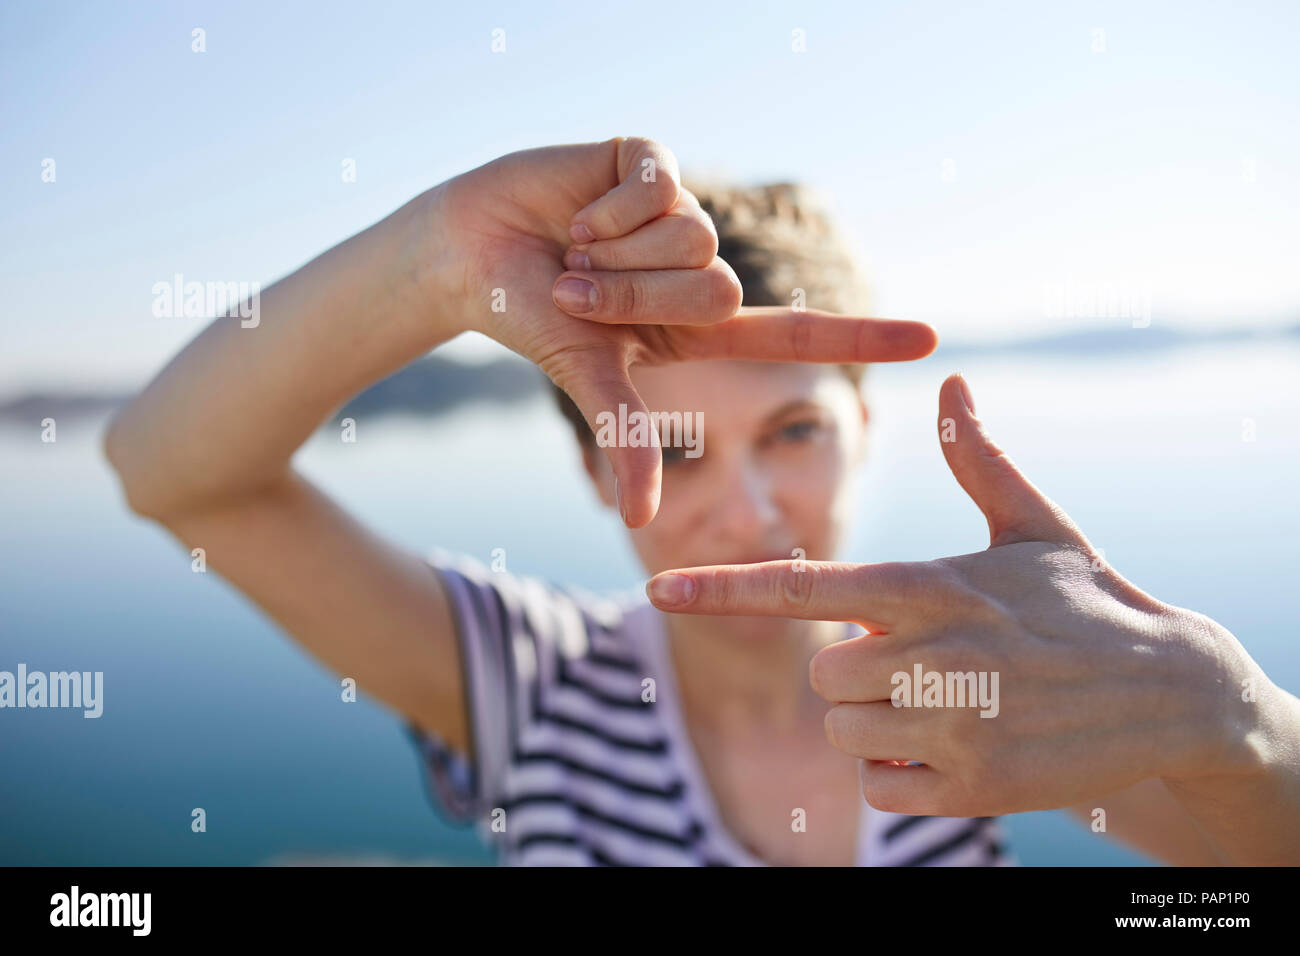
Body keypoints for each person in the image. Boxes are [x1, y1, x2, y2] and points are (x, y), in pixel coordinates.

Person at [103, 136, 1295, 866]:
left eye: (793, 431)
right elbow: (167, 469)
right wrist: (437, 256)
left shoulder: (980, 687)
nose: (751, 504)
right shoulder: (534, 678)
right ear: (588, 470)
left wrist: (1229, 714)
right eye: (672, 448)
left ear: (864, 429)